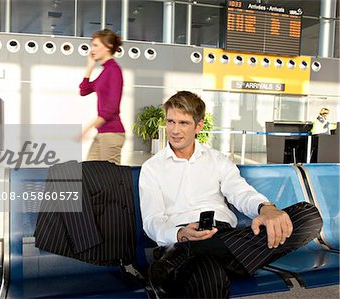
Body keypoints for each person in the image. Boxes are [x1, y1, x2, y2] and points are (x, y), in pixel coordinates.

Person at [139, 91, 323, 298]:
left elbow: (240, 191)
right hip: (181, 239)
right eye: (171, 122)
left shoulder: (217, 160)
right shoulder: (152, 168)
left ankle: (183, 256)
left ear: (198, 126)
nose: (174, 130)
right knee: (211, 276)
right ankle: (189, 251)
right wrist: (180, 234)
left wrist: (266, 208)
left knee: (308, 216)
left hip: (223, 237)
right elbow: (152, 221)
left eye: (183, 123)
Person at [79, 29, 125, 165]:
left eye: (95, 45)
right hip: (103, 133)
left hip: (112, 134)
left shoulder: (114, 71)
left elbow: (111, 108)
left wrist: (87, 129)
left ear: (108, 46)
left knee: (110, 181)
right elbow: (84, 90)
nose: (92, 49)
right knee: (90, 173)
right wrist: (90, 66)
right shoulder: (105, 71)